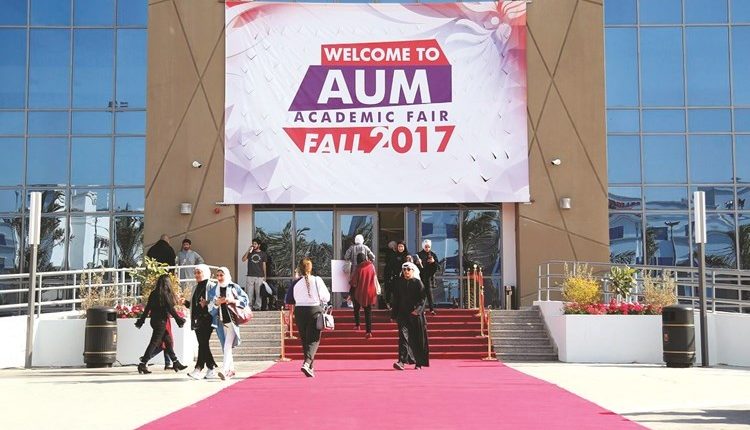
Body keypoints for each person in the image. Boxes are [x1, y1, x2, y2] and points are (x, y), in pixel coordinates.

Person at [285, 258, 330, 377]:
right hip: (314, 310)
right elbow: (326, 297)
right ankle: (307, 363)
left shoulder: (296, 283)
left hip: (299, 311)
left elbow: (289, 299)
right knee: (314, 339)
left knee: (305, 339)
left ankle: (310, 366)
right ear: (311, 268)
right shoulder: (317, 280)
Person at [135, 274, 188, 374]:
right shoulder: (165, 294)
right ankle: (143, 363)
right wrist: (179, 319)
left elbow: (147, 308)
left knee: (168, 341)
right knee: (154, 343)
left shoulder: (153, 293)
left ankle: (175, 362)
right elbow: (171, 309)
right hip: (161, 322)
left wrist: (142, 320)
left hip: (154, 321)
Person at [208, 267, 249, 380]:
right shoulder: (214, 290)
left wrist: (232, 301)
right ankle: (231, 370)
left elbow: (245, 300)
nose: (219, 278)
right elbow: (210, 308)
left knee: (227, 346)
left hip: (232, 321)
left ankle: (225, 370)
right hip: (220, 322)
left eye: (221, 275)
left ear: (226, 275)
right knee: (226, 346)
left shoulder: (233, 287)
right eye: (218, 275)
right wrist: (216, 303)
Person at [391, 262, 429, 370]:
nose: (406, 272)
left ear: (413, 271)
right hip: (402, 314)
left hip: (415, 315)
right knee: (403, 337)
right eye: (404, 270)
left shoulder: (418, 283)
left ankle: (418, 362)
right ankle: (401, 361)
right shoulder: (399, 283)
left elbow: (423, 299)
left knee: (416, 338)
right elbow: (396, 300)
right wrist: (393, 315)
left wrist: (417, 310)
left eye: (408, 269)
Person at [184, 264, 218, 380]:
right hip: (197, 319)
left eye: (199, 272)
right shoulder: (195, 287)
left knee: (203, 343)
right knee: (203, 344)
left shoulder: (211, 286)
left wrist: (207, 303)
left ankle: (198, 369)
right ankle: (211, 368)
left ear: (205, 273)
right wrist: (185, 302)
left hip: (208, 319)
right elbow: (194, 305)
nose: (196, 275)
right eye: (195, 273)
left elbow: (216, 301)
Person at [350, 252, 378, 338]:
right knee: (368, 311)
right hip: (370, 292)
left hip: (359, 291)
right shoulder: (371, 266)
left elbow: (354, 282)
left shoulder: (358, 268)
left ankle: (357, 324)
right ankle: (368, 332)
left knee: (356, 308)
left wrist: (350, 292)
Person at [241, 239, 267, 311]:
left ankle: (257, 307)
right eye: (253, 244)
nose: (254, 245)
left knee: (258, 293)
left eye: (255, 244)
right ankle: (249, 306)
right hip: (250, 275)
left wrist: (265, 276)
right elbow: (243, 259)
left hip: (260, 276)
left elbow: (264, 265)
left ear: (259, 245)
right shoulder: (250, 253)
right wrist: (248, 250)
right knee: (249, 292)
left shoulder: (263, 254)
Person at [385, 241, 410, 308]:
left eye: (402, 246)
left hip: (406, 277)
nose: (400, 248)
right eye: (399, 246)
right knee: (396, 293)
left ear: (404, 247)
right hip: (396, 277)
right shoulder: (394, 255)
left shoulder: (407, 255)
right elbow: (390, 266)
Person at [417, 239, 439, 314]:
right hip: (420, 276)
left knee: (429, 293)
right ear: (423, 246)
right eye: (426, 247)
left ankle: (431, 309)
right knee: (420, 293)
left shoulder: (433, 254)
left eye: (428, 247)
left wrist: (433, 262)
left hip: (429, 276)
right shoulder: (419, 254)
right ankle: (422, 309)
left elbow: (437, 267)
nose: (427, 248)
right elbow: (414, 266)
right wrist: (418, 262)